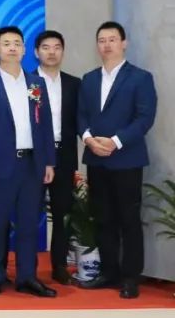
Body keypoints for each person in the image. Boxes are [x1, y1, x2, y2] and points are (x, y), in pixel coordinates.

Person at [0, 26, 56, 299]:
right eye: (6, 43)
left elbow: (45, 125)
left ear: (24, 50)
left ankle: (27, 276)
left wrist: (49, 161)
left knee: (29, 223)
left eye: (17, 43)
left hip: (32, 164)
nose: (12, 48)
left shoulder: (37, 84)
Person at [77, 21, 156, 299]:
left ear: (124, 43)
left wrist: (116, 142)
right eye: (102, 40)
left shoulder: (140, 78)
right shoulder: (89, 79)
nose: (107, 45)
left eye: (112, 39)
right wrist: (89, 139)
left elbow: (144, 117)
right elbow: (81, 115)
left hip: (126, 159)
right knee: (102, 219)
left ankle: (131, 277)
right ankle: (109, 272)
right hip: (96, 159)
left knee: (129, 220)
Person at [34, 30, 80, 285]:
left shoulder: (74, 84)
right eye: (46, 47)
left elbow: (81, 121)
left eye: (56, 47)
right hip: (33, 155)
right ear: (36, 52)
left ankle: (59, 265)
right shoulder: (26, 82)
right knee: (29, 212)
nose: (51, 52)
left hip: (64, 154)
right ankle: (27, 267)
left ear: (62, 51)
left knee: (63, 213)